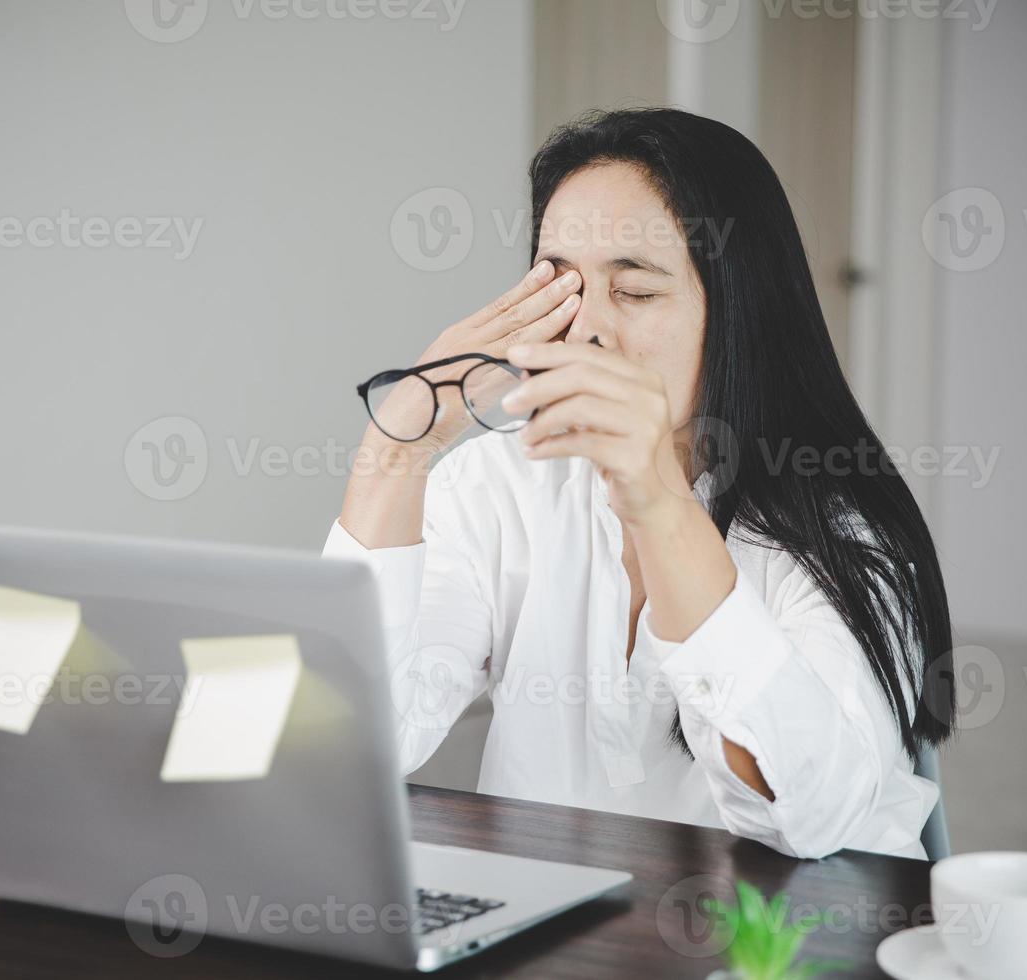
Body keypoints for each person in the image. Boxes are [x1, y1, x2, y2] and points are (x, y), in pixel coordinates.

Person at [326, 108, 955, 859]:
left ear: (739, 312)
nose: (585, 329)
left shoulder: (841, 526)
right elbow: (352, 744)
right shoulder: (502, 484)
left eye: (635, 292)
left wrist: (658, 499)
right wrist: (400, 445)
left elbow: (805, 817)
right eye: (559, 286)